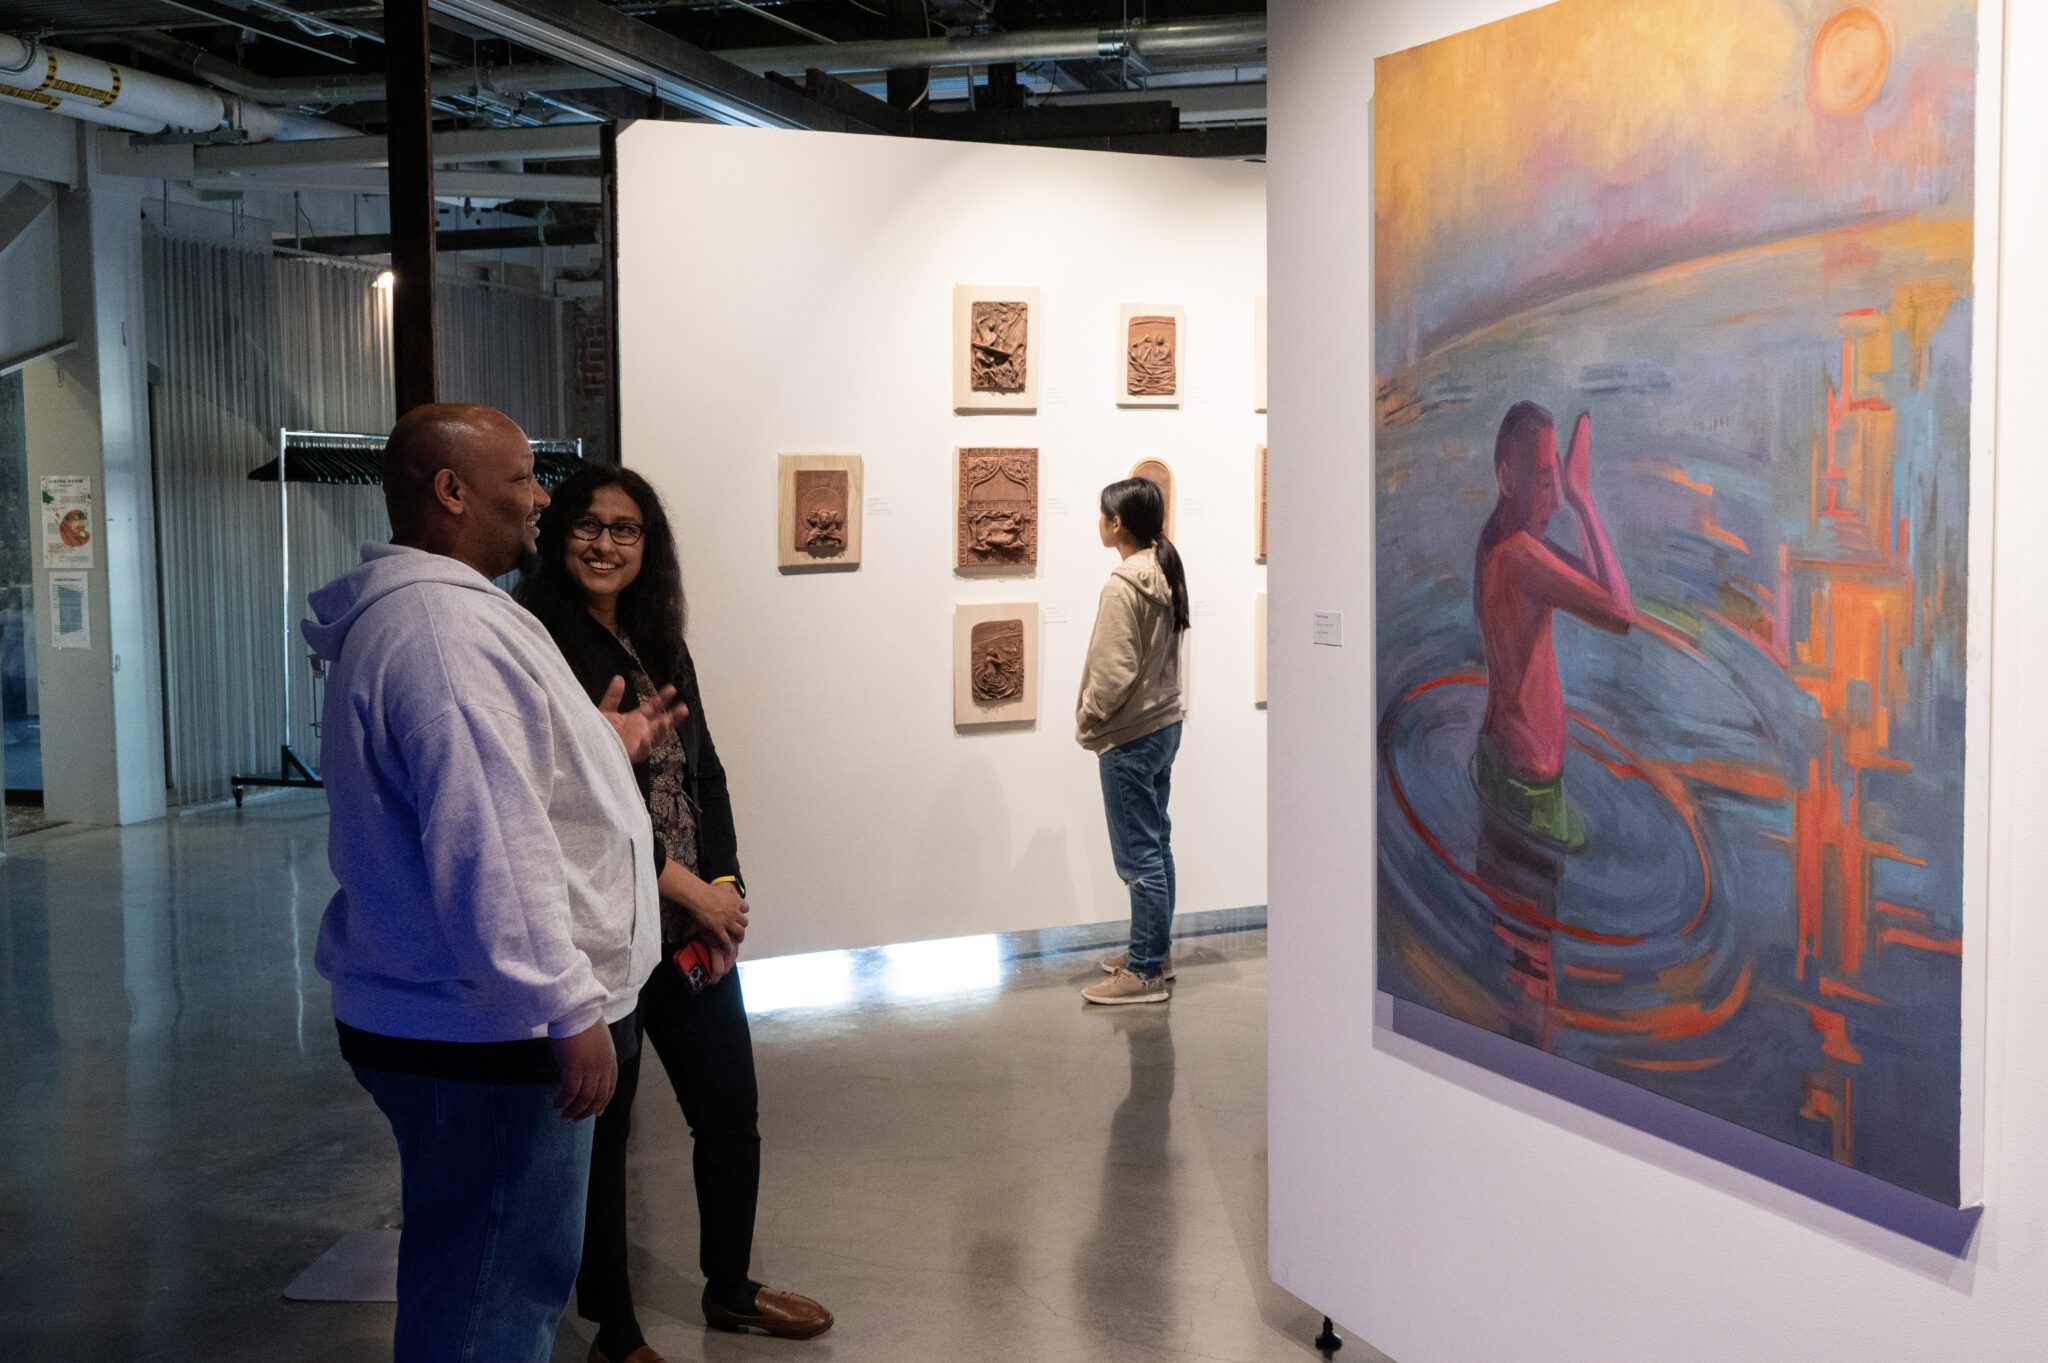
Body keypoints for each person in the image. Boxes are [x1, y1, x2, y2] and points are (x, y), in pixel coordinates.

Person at [302, 405, 685, 1363]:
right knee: (492, 1292)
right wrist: (567, 1008)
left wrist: (607, 744)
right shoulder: (443, 635)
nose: (540, 498)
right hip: (489, 1035)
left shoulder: (441, 618)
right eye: (522, 477)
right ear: (453, 490)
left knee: (467, 1265)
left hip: (456, 1022)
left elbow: (512, 780)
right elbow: (489, 842)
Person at [516, 466, 834, 1361]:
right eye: (587, 525)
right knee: (605, 1137)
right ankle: (614, 1331)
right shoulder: (539, 639)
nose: (605, 543)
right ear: (558, 535)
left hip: (688, 924)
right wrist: (691, 890)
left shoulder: (660, 635)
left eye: (625, 528)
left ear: (648, 545)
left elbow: (707, 771)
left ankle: (730, 1288)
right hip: (602, 927)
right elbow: (574, 802)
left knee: (730, 1110)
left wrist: (725, 887)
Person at [1473, 403, 1634, 847]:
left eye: (1558, 482)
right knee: (1531, 912)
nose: (1557, 500)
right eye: (1547, 481)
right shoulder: (1519, 557)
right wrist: (1583, 499)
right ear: (1507, 479)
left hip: (1510, 771)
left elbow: (1597, 585)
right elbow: (1620, 614)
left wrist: (1572, 493)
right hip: (1525, 788)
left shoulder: (1506, 543)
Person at [1076, 475, 1191, 1006]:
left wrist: (1090, 716)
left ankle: (1143, 972)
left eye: (1103, 515)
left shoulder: (1124, 584)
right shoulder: (1163, 571)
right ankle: (1154, 952)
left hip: (1131, 733)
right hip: (1164, 725)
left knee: (1138, 856)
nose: (1099, 523)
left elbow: (1113, 671)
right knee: (1156, 845)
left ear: (1116, 523)